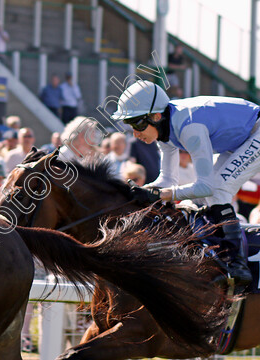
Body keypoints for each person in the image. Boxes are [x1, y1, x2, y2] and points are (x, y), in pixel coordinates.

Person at [111, 79, 259, 291]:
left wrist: (162, 195)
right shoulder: (165, 131)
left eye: (138, 124)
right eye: (130, 125)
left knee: (218, 190)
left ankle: (237, 263)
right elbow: (167, 180)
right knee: (208, 194)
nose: (135, 133)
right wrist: (142, 192)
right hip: (241, 138)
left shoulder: (190, 128)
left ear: (156, 116)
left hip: (256, 132)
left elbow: (205, 186)